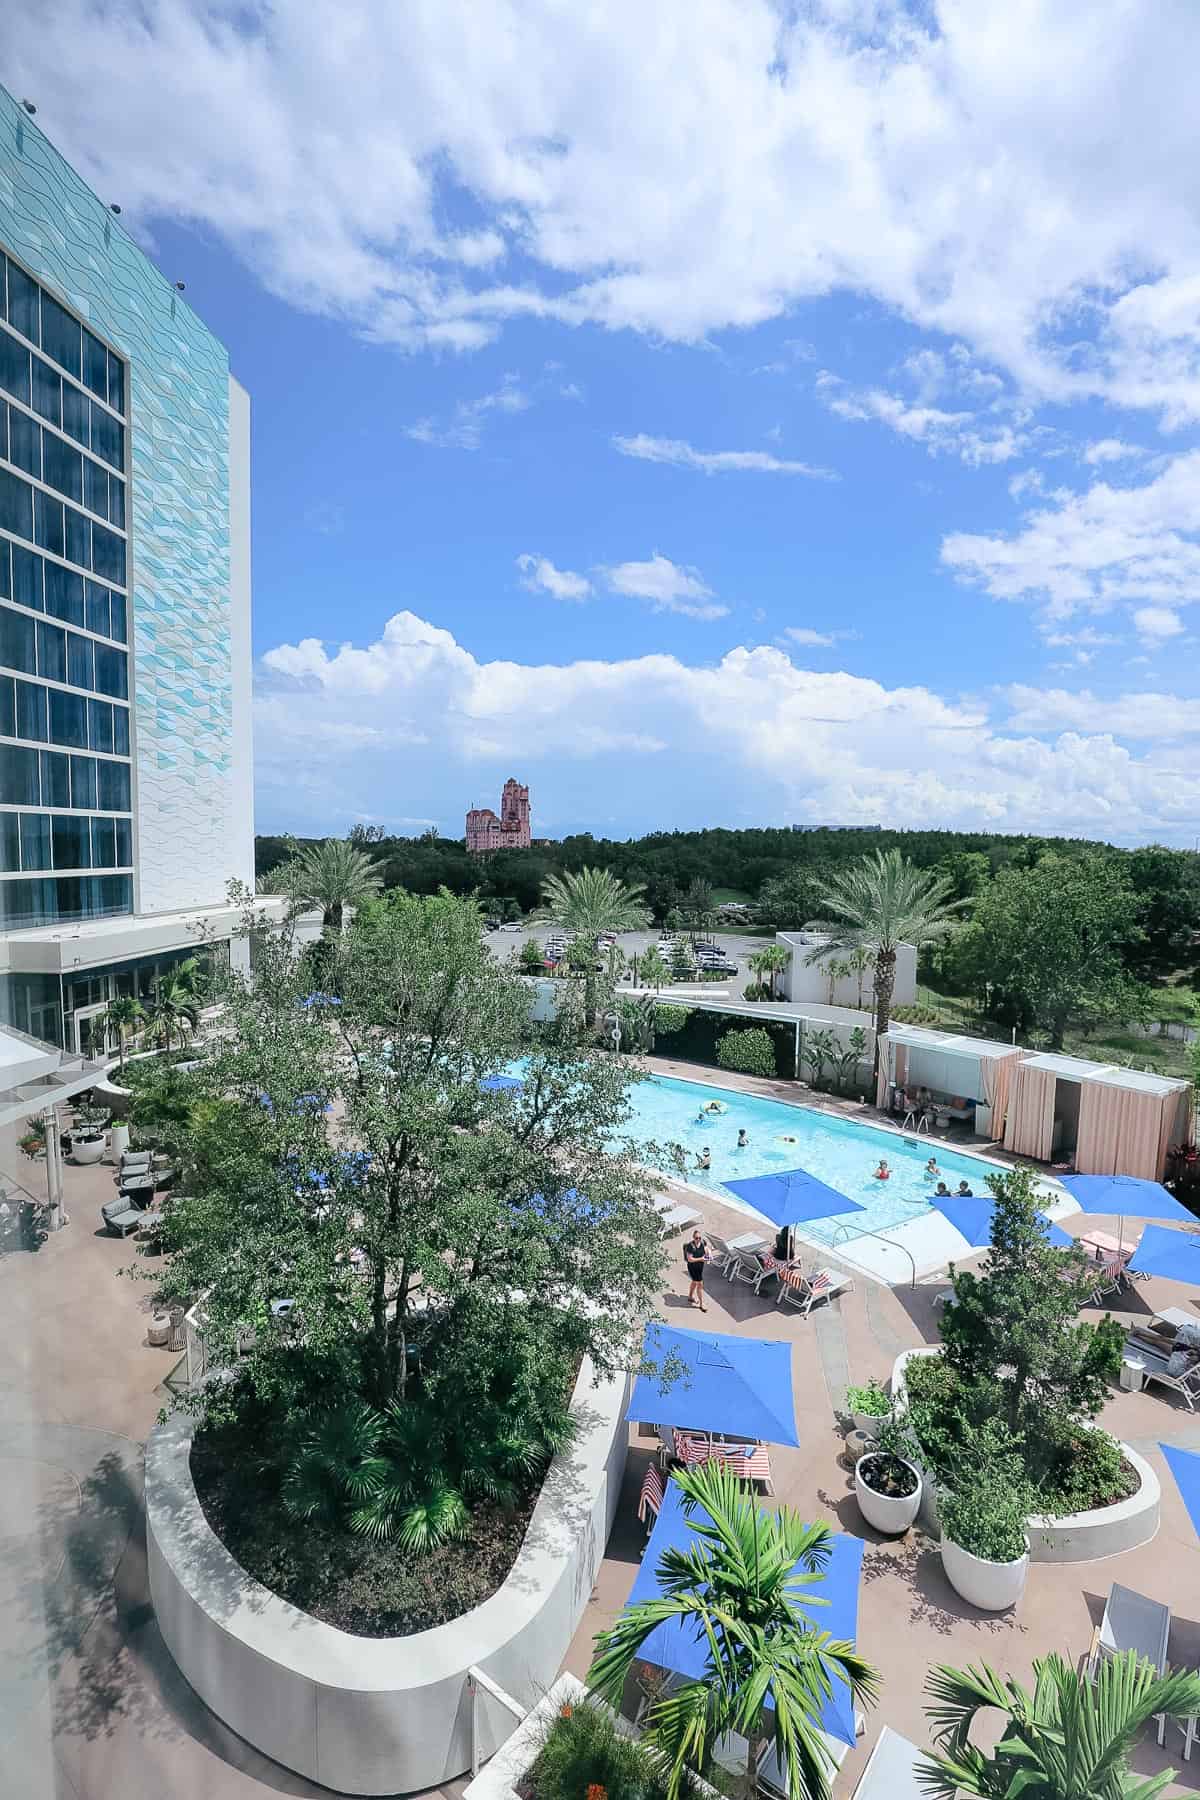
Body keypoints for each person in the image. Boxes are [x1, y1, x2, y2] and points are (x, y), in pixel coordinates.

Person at [684, 1227, 709, 1310]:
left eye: (699, 1238)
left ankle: (690, 1297)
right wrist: (701, 1259)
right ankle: (701, 1304)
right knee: (700, 1285)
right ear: (693, 1238)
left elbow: (706, 1249)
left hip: (700, 1267)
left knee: (694, 1282)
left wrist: (709, 1256)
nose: (698, 1239)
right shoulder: (690, 1246)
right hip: (693, 1268)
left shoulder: (702, 1242)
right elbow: (689, 1259)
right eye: (696, 1238)